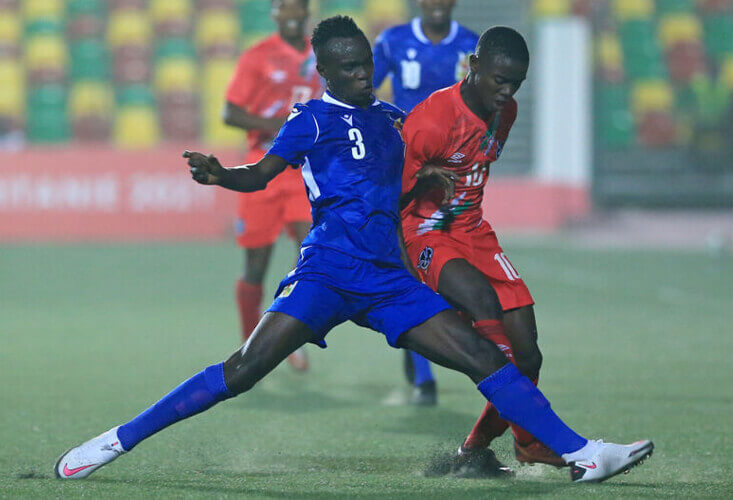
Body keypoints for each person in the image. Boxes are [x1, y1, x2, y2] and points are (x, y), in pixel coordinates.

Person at [53, 16, 654, 484]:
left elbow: (405, 180)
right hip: (326, 274)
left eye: (366, 64)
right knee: (242, 371)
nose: (363, 75)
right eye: (349, 68)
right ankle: (117, 440)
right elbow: (262, 175)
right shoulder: (310, 122)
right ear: (326, 72)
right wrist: (220, 173)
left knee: (483, 355)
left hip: (388, 281)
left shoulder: (393, 118)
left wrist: (427, 185)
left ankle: (581, 453)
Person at [399, 27, 566, 477]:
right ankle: (530, 440)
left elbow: (477, 167)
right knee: (484, 308)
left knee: (529, 354)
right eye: (498, 80)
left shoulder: (504, 112)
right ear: (473, 67)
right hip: (426, 234)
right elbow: (388, 200)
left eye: (515, 84)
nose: (506, 91)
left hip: (475, 234)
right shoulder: (432, 119)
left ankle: (472, 453)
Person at [373, 0, 480, 404]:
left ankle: (429, 347)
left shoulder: (471, 46)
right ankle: (424, 378)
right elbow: (363, 90)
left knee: (451, 264)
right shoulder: (393, 40)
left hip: (453, 169)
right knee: (410, 262)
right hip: (407, 166)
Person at [222, 0, 322, 371]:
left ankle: (288, 338)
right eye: (285, 7)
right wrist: (282, 125)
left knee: (309, 254)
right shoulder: (258, 56)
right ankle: (251, 346)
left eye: (299, 7)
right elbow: (230, 113)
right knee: (256, 265)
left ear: (307, 11)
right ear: (276, 13)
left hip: (302, 171)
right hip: (260, 171)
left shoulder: (322, 55)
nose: (293, 14)